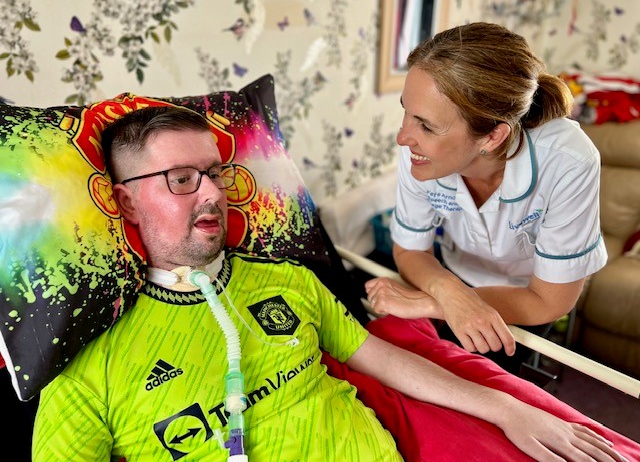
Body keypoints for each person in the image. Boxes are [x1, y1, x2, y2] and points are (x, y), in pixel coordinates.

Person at [31, 106, 626, 462]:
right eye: (181, 178)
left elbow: (388, 362)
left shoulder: (288, 282)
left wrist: (508, 409)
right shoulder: (85, 369)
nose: (212, 192)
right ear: (125, 203)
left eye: (214, 172)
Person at [364, 22, 607, 374]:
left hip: (524, 298)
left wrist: (433, 304)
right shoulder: (419, 149)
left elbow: (547, 301)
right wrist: (449, 291)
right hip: (451, 275)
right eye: (406, 112)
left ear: (492, 136)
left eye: (427, 125)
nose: (404, 137)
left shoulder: (568, 161)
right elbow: (410, 249)